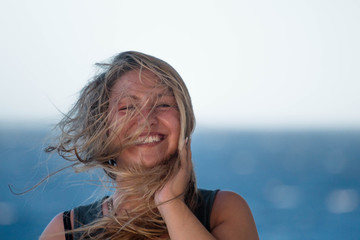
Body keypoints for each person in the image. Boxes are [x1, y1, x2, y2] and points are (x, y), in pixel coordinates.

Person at [40, 51, 259, 240]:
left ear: (184, 120)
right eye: (127, 108)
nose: (147, 119)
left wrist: (170, 204)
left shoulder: (224, 210)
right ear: (103, 128)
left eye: (163, 104)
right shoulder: (65, 231)